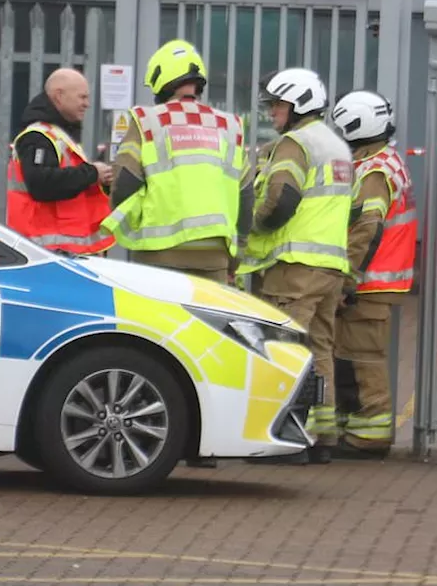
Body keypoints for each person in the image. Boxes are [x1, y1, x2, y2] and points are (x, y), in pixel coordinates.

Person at [237, 67, 354, 464]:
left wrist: (253, 226)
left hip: (295, 267)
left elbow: (281, 199)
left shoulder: (295, 143)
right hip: (329, 266)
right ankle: (322, 437)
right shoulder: (336, 146)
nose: (272, 113)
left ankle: (286, 438)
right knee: (319, 350)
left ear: (298, 105)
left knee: (284, 350)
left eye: (278, 105)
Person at [102, 39, 252, 284]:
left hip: (158, 256)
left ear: (161, 80)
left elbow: (124, 184)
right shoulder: (229, 126)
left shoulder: (147, 121)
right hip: (215, 257)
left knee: (156, 322)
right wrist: (237, 254)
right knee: (205, 323)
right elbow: (246, 199)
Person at [328, 89, 417, 460]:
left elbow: (367, 228)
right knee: (350, 353)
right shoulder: (387, 161)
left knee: (363, 357)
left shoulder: (374, 171)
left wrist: (347, 278)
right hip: (379, 278)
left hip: (372, 280)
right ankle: (356, 426)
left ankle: (370, 435)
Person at [6, 68, 116, 254]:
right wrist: (92, 173)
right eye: (82, 97)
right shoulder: (38, 136)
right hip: (46, 250)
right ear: (59, 96)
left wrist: (98, 178)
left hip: (60, 249)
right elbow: (41, 183)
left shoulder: (58, 134)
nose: (87, 104)